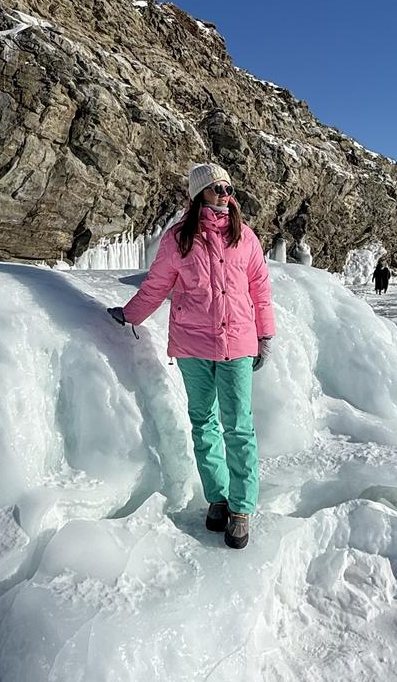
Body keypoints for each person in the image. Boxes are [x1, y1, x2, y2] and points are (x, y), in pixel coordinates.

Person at [106, 163, 275, 550]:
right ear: (199, 193)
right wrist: (130, 314)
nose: (224, 194)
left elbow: (260, 289)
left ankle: (242, 507)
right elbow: (157, 285)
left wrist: (265, 334)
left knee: (239, 426)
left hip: (236, 344)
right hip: (192, 346)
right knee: (203, 423)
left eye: (229, 188)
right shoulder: (178, 239)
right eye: (216, 188)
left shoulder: (244, 237)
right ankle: (217, 498)